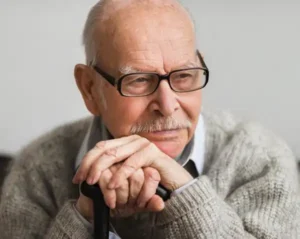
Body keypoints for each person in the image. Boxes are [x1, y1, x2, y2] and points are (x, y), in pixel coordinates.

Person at [0, 0, 299, 238]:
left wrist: (185, 194)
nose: (168, 106)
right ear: (90, 88)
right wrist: (86, 217)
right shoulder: (37, 170)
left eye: (183, 76)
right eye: (139, 80)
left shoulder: (261, 159)